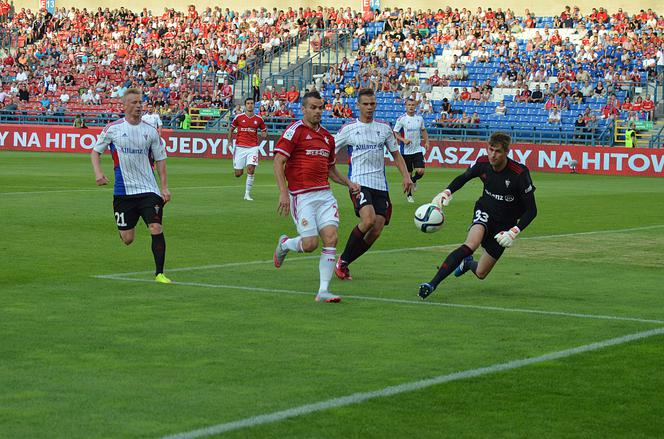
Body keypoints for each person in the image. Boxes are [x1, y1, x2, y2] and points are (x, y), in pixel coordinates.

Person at [418, 132, 537, 299]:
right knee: (471, 244)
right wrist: (446, 192)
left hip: (506, 224)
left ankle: (467, 264)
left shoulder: (519, 173)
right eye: (490, 150)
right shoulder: (482, 163)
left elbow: (532, 210)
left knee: (481, 273)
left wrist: (513, 231)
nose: (492, 155)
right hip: (485, 210)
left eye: (497, 151)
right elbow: (464, 177)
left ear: (506, 153)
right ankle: (431, 284)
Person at [272, 90, 360, 303]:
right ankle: (285, 244)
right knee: (310, 244)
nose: (318, 111)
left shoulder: (328, 138)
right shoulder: (295, 131)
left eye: (320, 107)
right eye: (313, 107)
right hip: (301, 196)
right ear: (303, 109)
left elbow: (331, 169)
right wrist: (283, 192)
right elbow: (278, 161)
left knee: (331, 238)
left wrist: (348, 183)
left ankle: (323, 291)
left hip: (325, 195)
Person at [90, 88, 172, 284]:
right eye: (134, 103)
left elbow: (160, 159)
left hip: (148, 190)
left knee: (155, 227)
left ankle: (159, 273)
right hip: (123, 192)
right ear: (124, 106)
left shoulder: (150, 131)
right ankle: (126, 228)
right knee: (127, 238)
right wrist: (98, 173)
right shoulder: (113, 129)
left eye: (140, 102)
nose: (138, 106)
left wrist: (164, 187)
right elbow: (95, 152)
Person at [333, 88, 414, 281]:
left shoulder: (384, 128)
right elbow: (330, 152)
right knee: (368, 220)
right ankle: (342, 261)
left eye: (372, 104)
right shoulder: (348, 130)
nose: (370, 107)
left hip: (380, 185)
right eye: (366, 104)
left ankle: (344, 261)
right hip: (359, 183)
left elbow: (396, 154)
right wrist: (343, 179)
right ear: (358, 105)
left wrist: (406, 176)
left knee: (375, 230)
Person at [227, 97, 267, 201]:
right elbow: (231, 129)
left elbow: (264, 130)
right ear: (245, 105)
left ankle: (247, 194)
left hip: (253, 147)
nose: (250, 105)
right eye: (248, 103)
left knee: (251, 169)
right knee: (238, 174)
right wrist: (229, 141)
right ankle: (237, 164)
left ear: (254, 105)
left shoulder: (259, 119)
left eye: (252, 103)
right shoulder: (239, 117)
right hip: (240, 147)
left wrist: (264, 134)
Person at [393, 98, 430, 203]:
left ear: (415, 106)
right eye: (409, 105)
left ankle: (414, 181)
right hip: (406, 151)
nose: (411, 107)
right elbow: (395, 132)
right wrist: (403, 140)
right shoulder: (401, 119)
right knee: (408, 174)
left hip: (417, 149)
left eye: (413, 105)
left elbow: (423, 130)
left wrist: (427, 141)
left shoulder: (419, 118)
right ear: (406, 106)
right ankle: (409, 195)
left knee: (420, 171)